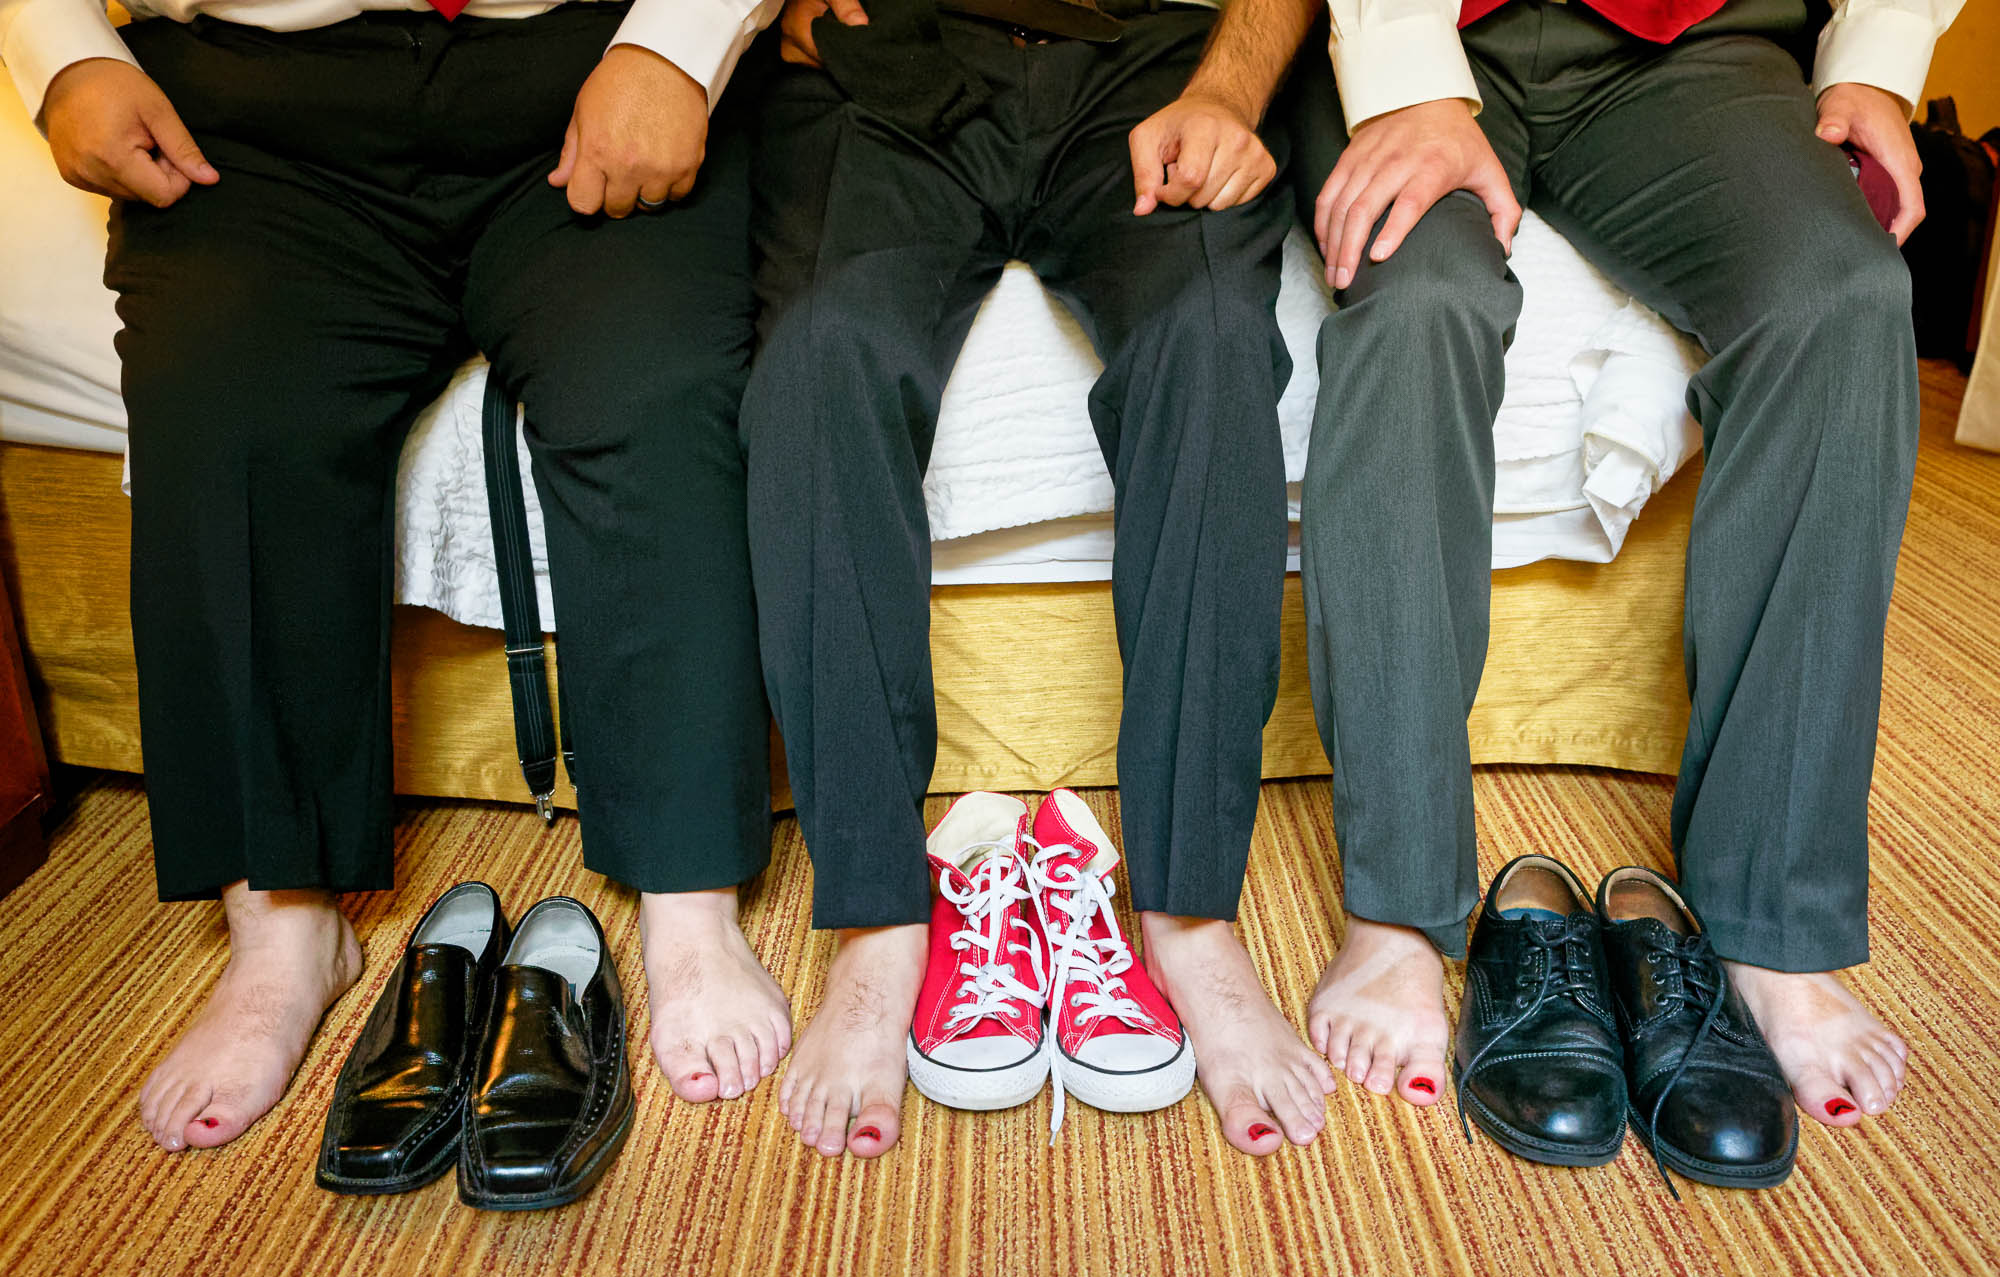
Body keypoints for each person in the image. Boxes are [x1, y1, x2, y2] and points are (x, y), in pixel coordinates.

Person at [1, 0, 790, 1151]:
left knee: (656, 395)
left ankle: (688, 901)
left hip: (589, 63)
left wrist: (679, 40)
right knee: (227, 410)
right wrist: (62, 48)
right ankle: (282, 928)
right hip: (259, 118)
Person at [1283, 0, 1956, 1124]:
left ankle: (1769, 924)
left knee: (1839, 296)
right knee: (1419, 298)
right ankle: (1396, 909)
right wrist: (1404, 75)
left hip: (1690, 52)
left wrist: (1879, 63)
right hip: (1412, 29)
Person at [743, 0, 1338, 1159]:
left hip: (1156, 58)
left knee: (1209, 345)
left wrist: (1227, 86)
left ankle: (1187, 913)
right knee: (822, 360)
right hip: (895, 62)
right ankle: (875, 920)